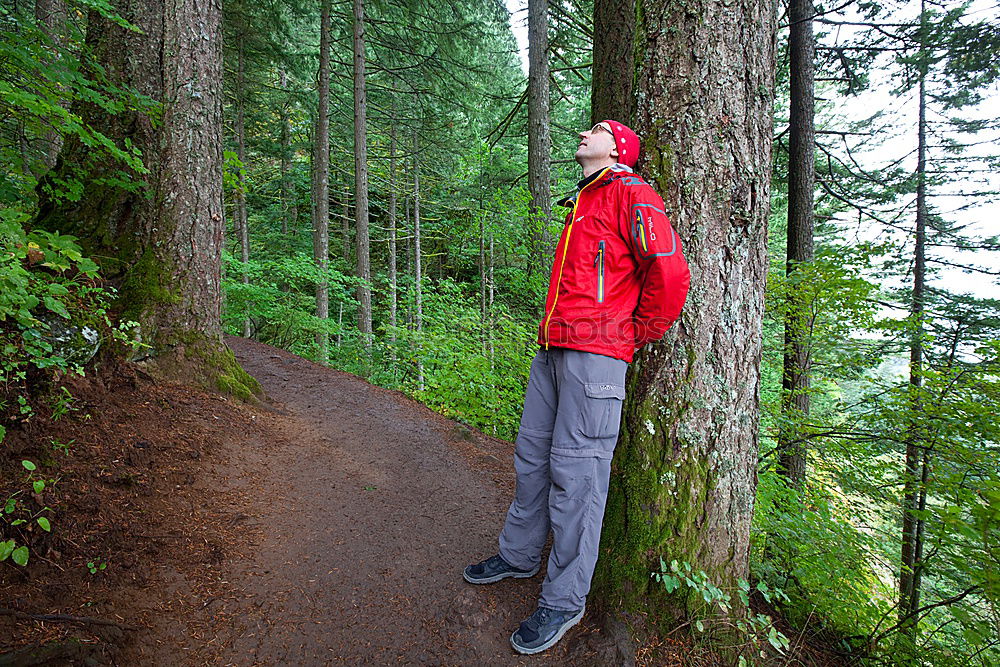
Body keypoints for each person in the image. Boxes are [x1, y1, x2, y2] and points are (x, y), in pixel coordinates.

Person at [463, 120, 691, 655]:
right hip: (554, 350)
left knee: (579, 475)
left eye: (596, 131)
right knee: (532, 458)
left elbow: (671, 274)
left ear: (618, 148)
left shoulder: (632, 193)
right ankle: (518, 555)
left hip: (597, 357)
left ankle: (564, 600)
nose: (584, 134)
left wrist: (635, 332)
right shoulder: (583, 201)